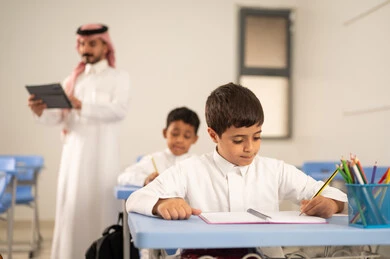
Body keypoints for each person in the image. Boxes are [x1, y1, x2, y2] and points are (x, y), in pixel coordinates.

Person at [126, 82, 347, 257]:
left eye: (257, 137)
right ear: (213, 135)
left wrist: (331, 203)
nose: (250, 148)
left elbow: (330, 193)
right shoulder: (190, 170)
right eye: (239, 139)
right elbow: (135, 199)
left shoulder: (275, 170)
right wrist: (161, 203)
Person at [28, 24, 130, 259]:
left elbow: (119, 110)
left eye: (92, 43)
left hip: (103, 160)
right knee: (72, 211)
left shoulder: (119, 78)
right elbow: (58, 117)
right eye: (82, 44)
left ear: (106, 45)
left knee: (100, 210)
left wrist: (82, 105)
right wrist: (40, 110)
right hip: (73, 160)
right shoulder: (73, 80)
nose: (86, 49)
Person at [118, 106, 200, 186]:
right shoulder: (152, 159)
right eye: (174, 134)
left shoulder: (197, 164)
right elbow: (123, 177)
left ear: (195, 139)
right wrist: (145, 180)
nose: (179, 140)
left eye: (187, 136)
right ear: (165, 133)